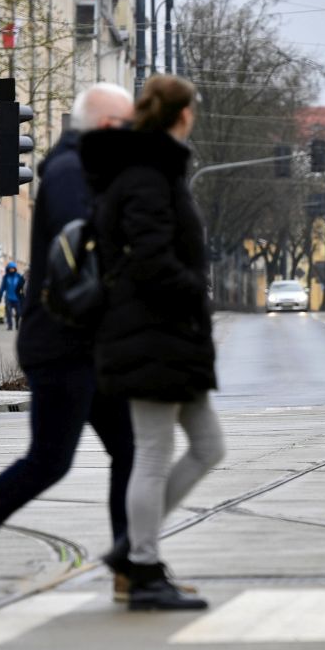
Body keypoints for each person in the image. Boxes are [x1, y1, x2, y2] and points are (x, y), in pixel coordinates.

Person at [0, 84, 137, 609]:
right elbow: (79, 247)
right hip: (64, 344)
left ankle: (133, 566)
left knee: (131, 451)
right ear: (106, 126)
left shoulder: (88, 169)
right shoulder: (70, 172)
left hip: (89, 344)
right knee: (49, 460)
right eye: (128, 127)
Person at [83, 75, 223, 613]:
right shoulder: (146, 173)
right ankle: (141, 566)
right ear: (183, 114)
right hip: (152, 333)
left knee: (208, 446)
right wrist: (195, 293)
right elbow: (151, 260)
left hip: (168, 335)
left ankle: (132, 550)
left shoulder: (155, 168)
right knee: (154, 453)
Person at [0, 262, 26, 331]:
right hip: (8, 297)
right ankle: (10, 325)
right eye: (10, 268)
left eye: (13, 268)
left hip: (17, 297)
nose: (11, 269)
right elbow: (2, 287)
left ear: (15, 269)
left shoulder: (18, 276)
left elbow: (22, 286)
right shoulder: (6, 277)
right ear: (8, 269)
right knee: (8, 312)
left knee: (18, 312)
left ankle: (17, 324)